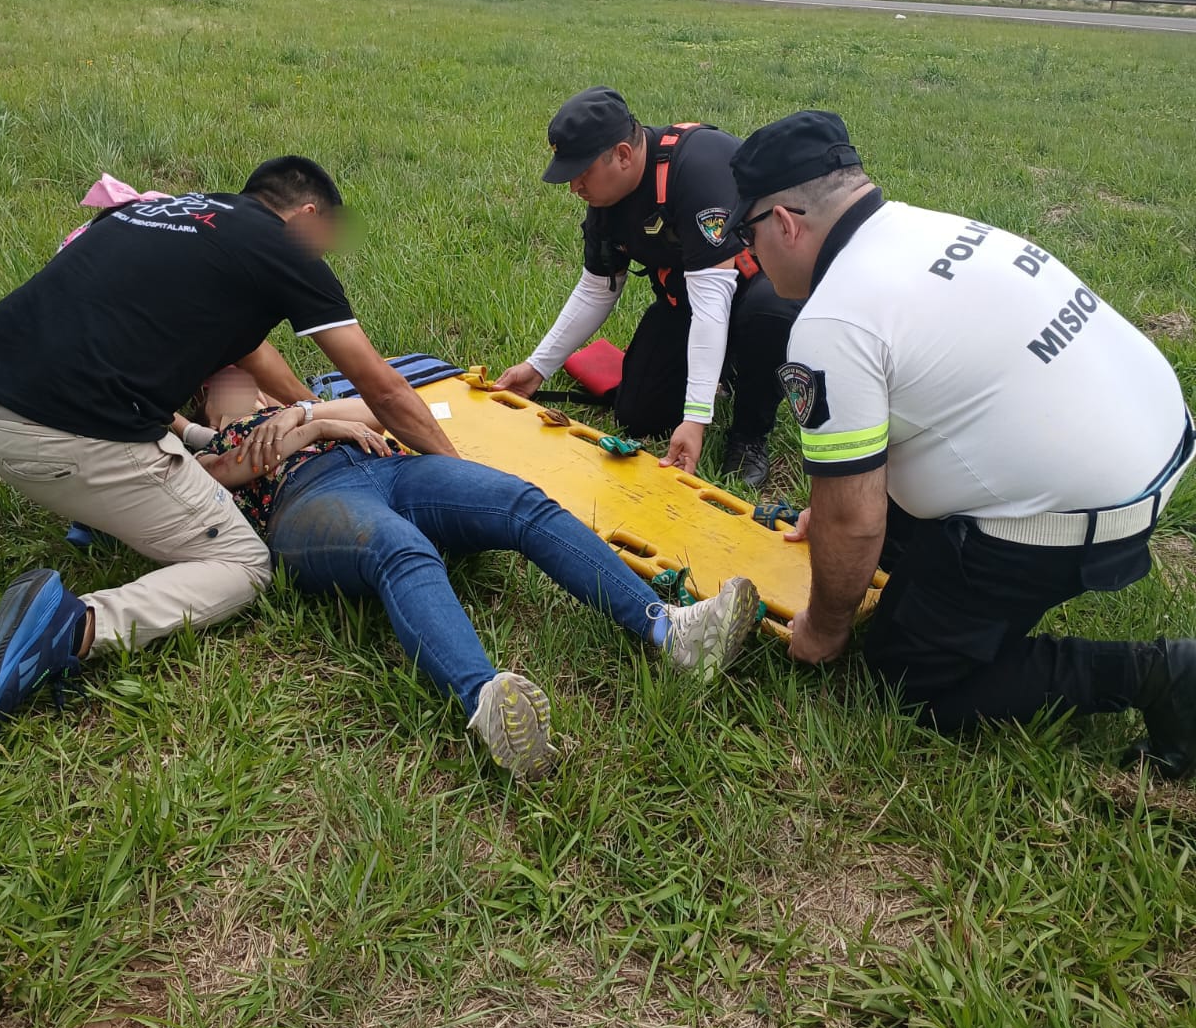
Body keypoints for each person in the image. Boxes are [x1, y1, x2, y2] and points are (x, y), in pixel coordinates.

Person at [726, 109, 1196, 775]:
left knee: (905, 674)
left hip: (1083, 510)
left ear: (786, 224)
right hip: (1154, 436)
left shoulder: (833, 320)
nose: (750, 256)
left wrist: (824, 630)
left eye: (748, 234)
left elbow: (854, 521)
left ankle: (1160, 676)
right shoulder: (921, 226)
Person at [0, 157, 460, 721]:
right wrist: (457, 470)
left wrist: (300, 412)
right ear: (309, 216)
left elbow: (242, 353)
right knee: (243, 564)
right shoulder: (283, 246)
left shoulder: (161, 213)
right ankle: (77, 626)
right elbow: (383, 391)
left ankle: (101, 514)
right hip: (65, 432)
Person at [192, 365, 760, 779]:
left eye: (245, 368)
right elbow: (228, 471)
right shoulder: (206, 447)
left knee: (520, 502)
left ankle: (671, 630)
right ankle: (490, 707)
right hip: (306, 503)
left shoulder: (306, 404)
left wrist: (309, 414)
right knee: (401, 550)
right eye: (226, 375)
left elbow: (379, 408)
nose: (243, 377)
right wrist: (311, 431)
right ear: (204, 399)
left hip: (389, 468)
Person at [495, 87, 800, 488]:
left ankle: (749, 431)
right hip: (687, 302)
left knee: (768, 313)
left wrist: (695, 419)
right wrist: (538, 367)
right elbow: (597, 290)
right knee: (639, 415)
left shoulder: (697, 168)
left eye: (582, 173)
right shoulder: (607, 200)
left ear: (622, 155)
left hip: (753, 294)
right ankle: (717, 372)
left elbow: (713, 304)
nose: (574, 188)